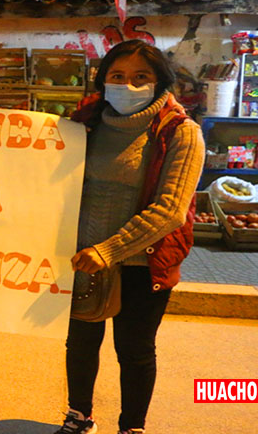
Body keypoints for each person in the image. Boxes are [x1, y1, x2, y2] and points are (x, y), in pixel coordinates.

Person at [57, 40, 204, 434]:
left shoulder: (180, 133)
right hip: (82, 258)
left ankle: (132, 427)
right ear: (103, 80)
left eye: (141, 77)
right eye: (118, 76)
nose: (128, 85)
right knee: (80, 342)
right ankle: (78, 416)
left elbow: (171, 210)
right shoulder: (85, 124)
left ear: (160, 82)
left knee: (135, 350)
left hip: (141, 261)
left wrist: (109, 250)